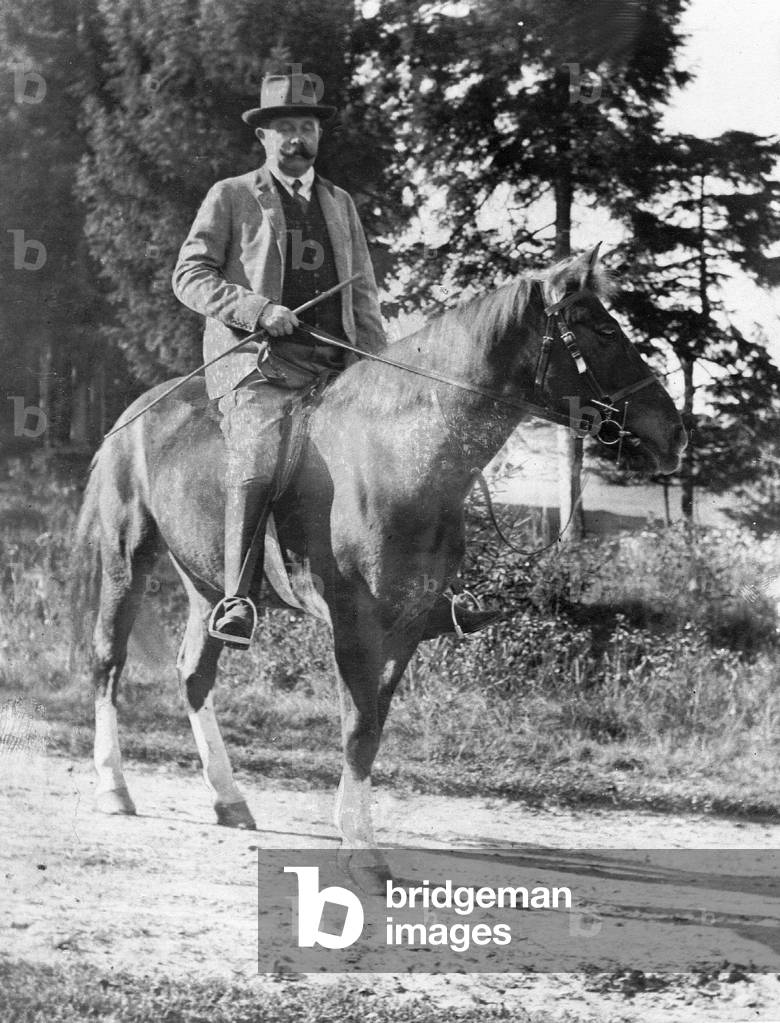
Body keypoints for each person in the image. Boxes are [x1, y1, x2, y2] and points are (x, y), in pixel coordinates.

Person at [173, 71, 499, 648]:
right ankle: (237, 597)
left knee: (418, 444)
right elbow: (190, 276)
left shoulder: (338, 203)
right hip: (257, 365)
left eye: (307, 127)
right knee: (259, 452)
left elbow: (363, 297)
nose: (298, 139)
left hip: (335, 367)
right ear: (264, 138)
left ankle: (437, 591)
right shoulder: (231, 196)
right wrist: (255, 308)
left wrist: (382, 371)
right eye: (285, 129)